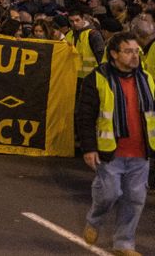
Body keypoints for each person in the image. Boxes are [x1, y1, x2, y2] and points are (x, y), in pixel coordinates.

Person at [76, 32, 153, 256]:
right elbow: (85, 115)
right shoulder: (97, 78)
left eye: (136, 51)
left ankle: (124, 244)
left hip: (140, 153)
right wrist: (89, 148)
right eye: (128, 51)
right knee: (109, 194)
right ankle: (94, 219)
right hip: (110, 152)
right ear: (113, 54)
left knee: (135, 199)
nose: (134, 56)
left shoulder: (146, 78)